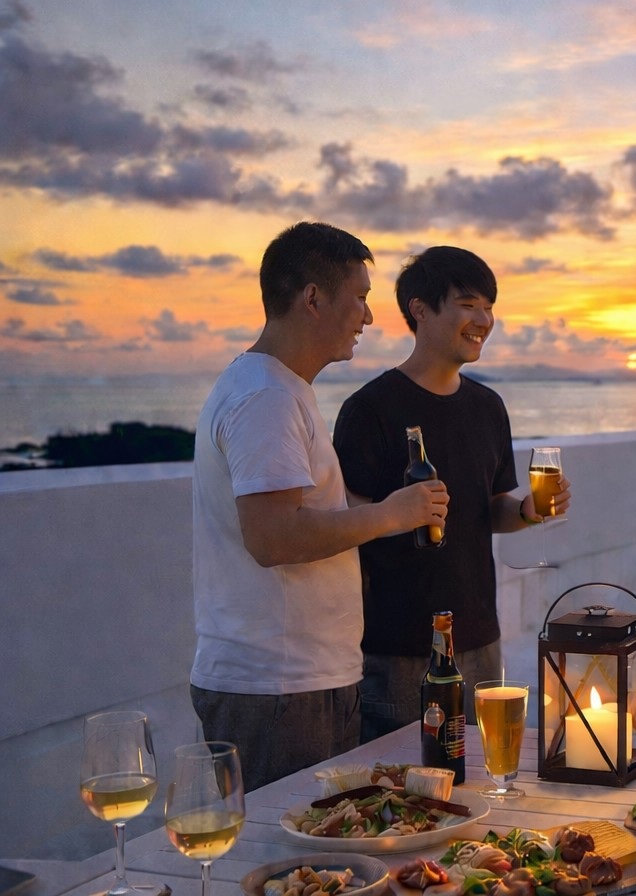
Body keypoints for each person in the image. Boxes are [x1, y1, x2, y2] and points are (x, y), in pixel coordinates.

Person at [190, 222, 449, 792]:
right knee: (284, 865)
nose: (368, 316)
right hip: (279, 688)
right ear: (313, 298)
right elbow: (274, 538)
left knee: (316, 865)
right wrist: (393, 514)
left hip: (296, 684)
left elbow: (304, 508)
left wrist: (383, 504)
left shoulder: (279, 389)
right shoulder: (267, 397)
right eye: (359, 297)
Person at [333, 246, 571, 742]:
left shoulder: (488, 406)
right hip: (399, 647)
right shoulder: (369, 410)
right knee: (406, 791)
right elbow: (347, 520)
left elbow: (491, 510)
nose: (483, 319)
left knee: (486, 778)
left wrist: (528, 511)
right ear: (420, 309)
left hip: (480, 634)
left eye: (489, 307)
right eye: (468, 304)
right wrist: (395, 513)